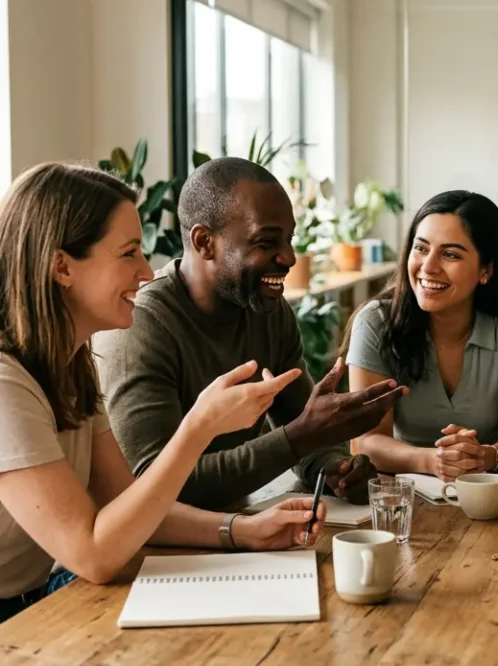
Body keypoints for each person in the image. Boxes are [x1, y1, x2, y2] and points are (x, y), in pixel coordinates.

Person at [0, 164, 329, 666]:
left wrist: (243, 531)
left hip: (19, 609)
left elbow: (129, 508)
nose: (146, 271)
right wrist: (199, 428)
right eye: (128, 253)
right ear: (62, 267)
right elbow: (95, 553)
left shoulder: (68, 366)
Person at [94, 158, 405, 511]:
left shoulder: (268, 311)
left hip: (237, 526)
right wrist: (300, 436)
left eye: (289, 240)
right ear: (204, 242)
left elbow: (305, 434)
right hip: (151, 549)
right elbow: (152, 488)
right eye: (267, 242)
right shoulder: (139, 326)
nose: (288, 257)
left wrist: (338, 469)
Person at [346, 191, 498, 480]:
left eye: (450, 254)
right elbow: (364, 443)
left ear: (486, 270)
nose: (428, 267)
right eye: (421, 248)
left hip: (485, 489)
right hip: (398, 495)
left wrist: (481, 457)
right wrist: (431, 461)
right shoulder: (375, 323)